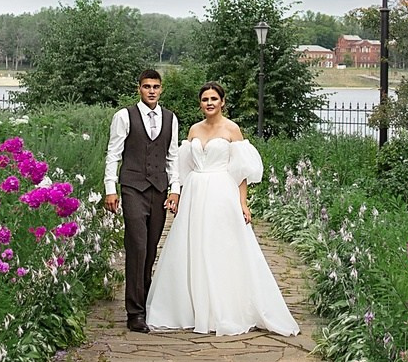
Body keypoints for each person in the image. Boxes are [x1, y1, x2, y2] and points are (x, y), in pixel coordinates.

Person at [145, 82, 300, 337]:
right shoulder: (194, 130)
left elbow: (241, 171)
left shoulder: (232, 129)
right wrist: (178, 194)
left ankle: (224, 307)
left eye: (214, 99)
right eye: (205, 99)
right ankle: (192, 307)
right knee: (193, 246)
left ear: (222, 102)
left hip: (221, 192)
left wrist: (243, 203)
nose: (209, 103)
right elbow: (183, 167)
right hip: (195, 192)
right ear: (200, 103)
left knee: (221, 246)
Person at [102, 69, 176, 332]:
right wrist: (110, 189)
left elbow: (172, 156)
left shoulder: (170, 118)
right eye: (147, 86)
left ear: (161, 89)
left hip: (159, 188)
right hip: (132, 187)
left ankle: (145, 303)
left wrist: (175, 189)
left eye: (156, 86)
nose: (151, 91)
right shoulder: (124, 116)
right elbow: (113, 154)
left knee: (151, 249)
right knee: (137, 246)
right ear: (139, 89)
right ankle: (134, 312)